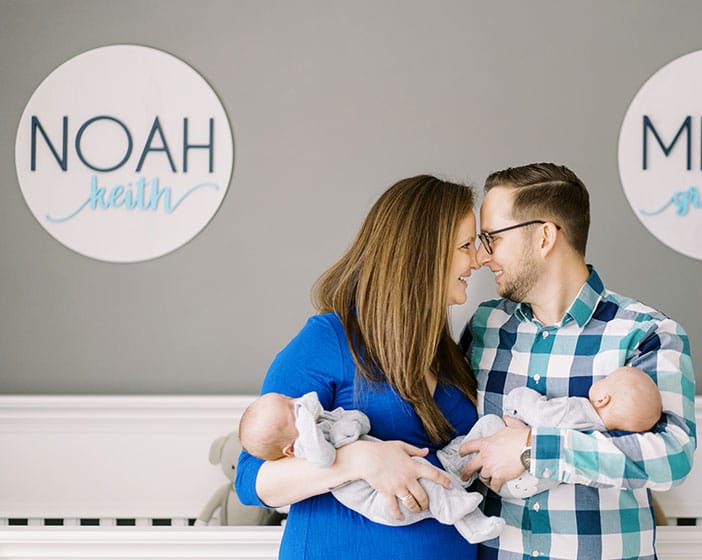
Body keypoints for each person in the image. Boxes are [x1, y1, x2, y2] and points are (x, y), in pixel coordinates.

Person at [235, 175, 485, 559]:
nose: (478, 260)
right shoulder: (328, 340)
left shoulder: (446, 352)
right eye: (466, 246)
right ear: (424, 253)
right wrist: (358, 459)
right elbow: (252, 479)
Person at [458, 163, 696, 560]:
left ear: (544, 236)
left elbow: (673, 456)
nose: (482, 257)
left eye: (492, 238)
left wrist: (534, 448)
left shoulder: (645, 332)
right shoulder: (485, 326)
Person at [238, 391, 504, 543]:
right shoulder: (306, 446)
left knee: (455, 453)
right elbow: (249, 480)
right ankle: (470, 521)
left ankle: (471, 460)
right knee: (433, 490)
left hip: (421, 465)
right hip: (383, 499)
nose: (296, 401)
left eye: (288, 398)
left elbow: (359, 422)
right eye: (289, 409)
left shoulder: (325, 421)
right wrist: (362, 457)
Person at [439, 366, 663, 499]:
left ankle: (454, 470)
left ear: (603, 399)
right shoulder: (597, 434)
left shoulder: (580, 410)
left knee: (489, 425)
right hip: (528, 485)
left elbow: (541, 414)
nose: (599, 380)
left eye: (605, 380)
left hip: (511, 474)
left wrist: (518, 396)